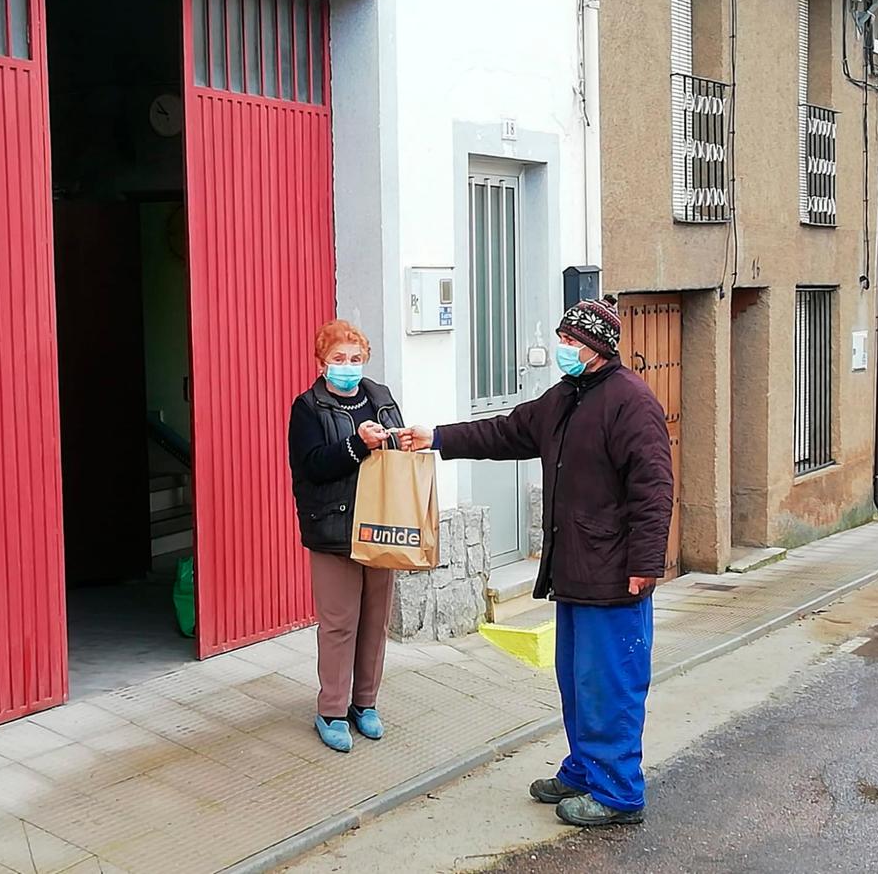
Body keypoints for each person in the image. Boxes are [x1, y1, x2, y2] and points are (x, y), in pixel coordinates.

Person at [399, 296, 673, 826]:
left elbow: (654, 488)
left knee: (609, 683)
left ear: (596, 346)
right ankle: (584, 769)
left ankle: (619, 793)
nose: (561, 348)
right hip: (576, 567)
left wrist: (645, 564)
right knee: (576, 679)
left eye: (571, 341)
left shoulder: (630, 402)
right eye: (563, 338)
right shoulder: (566, 397)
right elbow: (505, 432)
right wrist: (435, 439)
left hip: (615, 574)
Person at [288, 320, 405, 753]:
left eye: (355, 359)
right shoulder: (308, 408)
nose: (348, 367)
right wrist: (357, 445)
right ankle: (331, 709)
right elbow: (312, 466)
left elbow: (396, 452)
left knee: (375, 621)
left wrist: (399, 441)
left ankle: (365, 704)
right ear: (322, 363)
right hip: (333, 528)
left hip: (380, 524)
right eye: (339, 360)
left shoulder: (380, 397)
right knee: (339, 624)